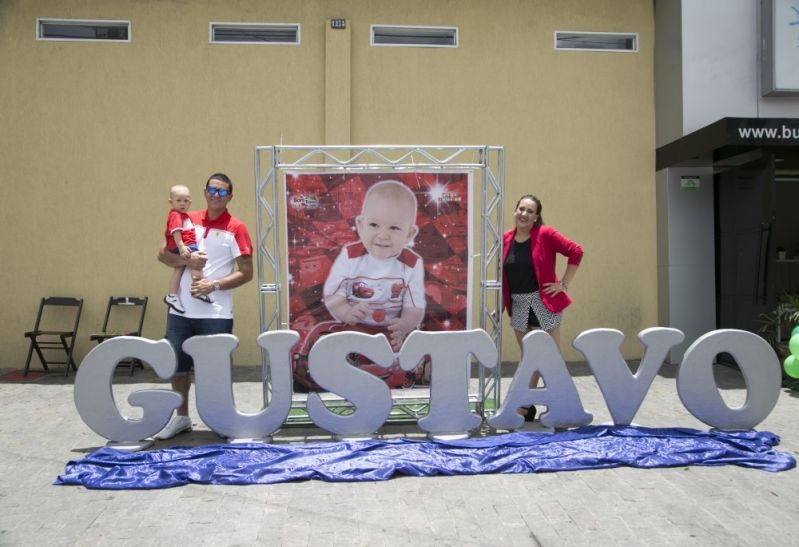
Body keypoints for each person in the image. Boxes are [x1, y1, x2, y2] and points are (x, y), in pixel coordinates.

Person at [155, 173, 253, 440]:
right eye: (212, 190)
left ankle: (222, 420)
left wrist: (214, 285)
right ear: (205, 191)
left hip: (216, 314)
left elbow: (246, 272)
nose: (215, 195)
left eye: (222, 192)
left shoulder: (237, 227)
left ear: (230, 196)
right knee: (178, 367)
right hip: (181, 311)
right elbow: (162, 254)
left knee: (217, 369)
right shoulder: (186, 219)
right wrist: (186, 262)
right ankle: (182, 418)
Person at [502, 194, 583, 421]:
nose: (524, 214)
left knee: (548, 358)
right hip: (518, 305)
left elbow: (576, 251)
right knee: (530, 358)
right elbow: (504, 279)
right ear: (515, 210)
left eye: (530, 211)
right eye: (521, 209)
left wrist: (563, 284)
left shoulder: (545, 234)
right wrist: (498, 308)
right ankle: (528, 406)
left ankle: (545, 405)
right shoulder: (506, 239)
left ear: (536, 216)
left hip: (542, 303)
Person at [324, 180, 425, 352]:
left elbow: (414, 307)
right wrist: (346, 312)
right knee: (335, 345)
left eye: (394, 228)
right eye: (373, 225)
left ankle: (394, 370)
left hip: (391, 330)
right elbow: (333, 295)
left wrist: (405, 325)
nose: (383, 235)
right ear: (360, 225)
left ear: (409, 234)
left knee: (411, 348)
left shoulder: (412, 263)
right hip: (355, 326)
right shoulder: (350, 255)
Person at [163, 185, 210, 314]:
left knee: (178, 270)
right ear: (171, 201)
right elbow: (176, 232)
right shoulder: (176, 215)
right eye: (178, 200)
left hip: (185, 245)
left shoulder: (183, 215)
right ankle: (198, 290)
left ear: (190, 202)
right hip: (185, 246)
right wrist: (182, 247)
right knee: (197, 263)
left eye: (185, 201)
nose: (182, 203)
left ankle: (172, 296)